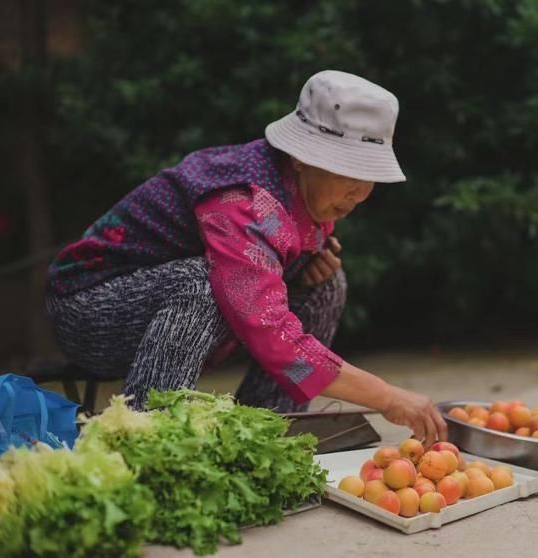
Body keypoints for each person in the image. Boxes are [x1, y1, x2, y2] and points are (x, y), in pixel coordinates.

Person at [46, 70, 448, 445]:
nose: (359, 192)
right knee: (202, 283)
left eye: (368, 176)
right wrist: (386, 396)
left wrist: (300, 273)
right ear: (302, 158)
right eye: (348, 172)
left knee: (327, 284)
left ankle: (262, 440)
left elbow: (264, 284)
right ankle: (148, 440)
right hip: (90, 311)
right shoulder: (242, 199)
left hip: (192, 319)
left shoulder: (310, 197)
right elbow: (267, 326)